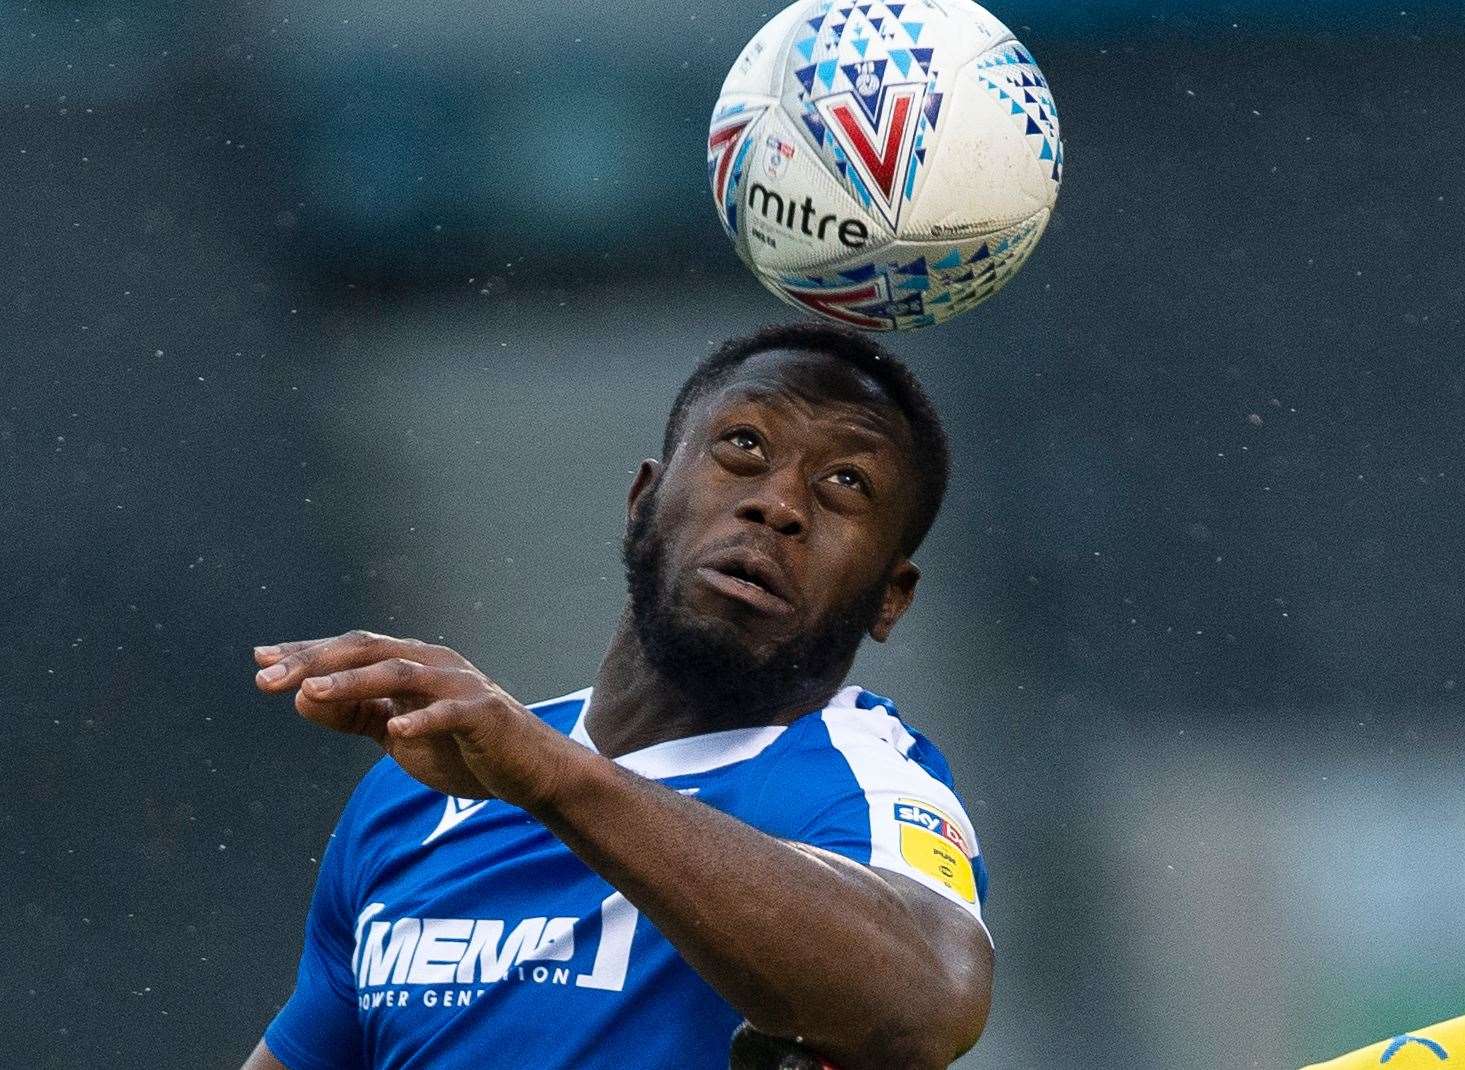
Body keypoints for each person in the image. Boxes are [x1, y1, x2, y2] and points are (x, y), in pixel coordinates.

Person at [240, 323, 994, 1070]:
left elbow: (924, 1007)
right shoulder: (415, 795)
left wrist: (550, 777)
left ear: (890, 599)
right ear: (643, 499)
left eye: (845, 483)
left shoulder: (856, 789)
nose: (779, 505)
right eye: (743, 447)